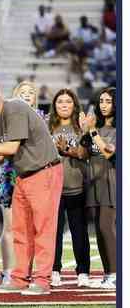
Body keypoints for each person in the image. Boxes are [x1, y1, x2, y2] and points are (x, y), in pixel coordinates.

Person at [0, 77, 63, 295]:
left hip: (43, 171)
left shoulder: (14, 107)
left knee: (42, 229)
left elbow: (11, 147)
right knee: (20, 229)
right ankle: (19, 278)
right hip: (23, 175)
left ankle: (42, 281)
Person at [0, 81, 45, 286]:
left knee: (33, 229)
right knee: (9, 227)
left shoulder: (42, 118)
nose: (26, 95)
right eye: (21, 92)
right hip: (10, 177)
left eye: (30, 92)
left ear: (35, 98)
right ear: (15, 95)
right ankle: (8, 271)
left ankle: (26, 272)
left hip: (34, 176)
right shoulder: (6, 117)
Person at [48, 89, 90, 287]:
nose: (64, 105)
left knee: (79, 231)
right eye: (60, 101)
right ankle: (54, 269)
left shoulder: (81, 126)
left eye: (68, 101)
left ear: (74, 104)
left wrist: (65, 150)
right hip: (52, 187)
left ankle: (83, 271)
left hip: (77, 185)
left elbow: (83, 154)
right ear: (54, 105)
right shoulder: (47, 126)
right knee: (53, 231)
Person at [79, 87, 116, 289]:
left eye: (108, 101)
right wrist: (84, 132)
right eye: (101, 101)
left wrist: (92, 131)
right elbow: (85, 154)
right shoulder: (97, 128)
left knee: (106, 227)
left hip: (112, 180)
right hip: (95, 181)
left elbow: (109, 153)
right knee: (100, 231)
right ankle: (108, 273)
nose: (103, 105)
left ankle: (117, 274)